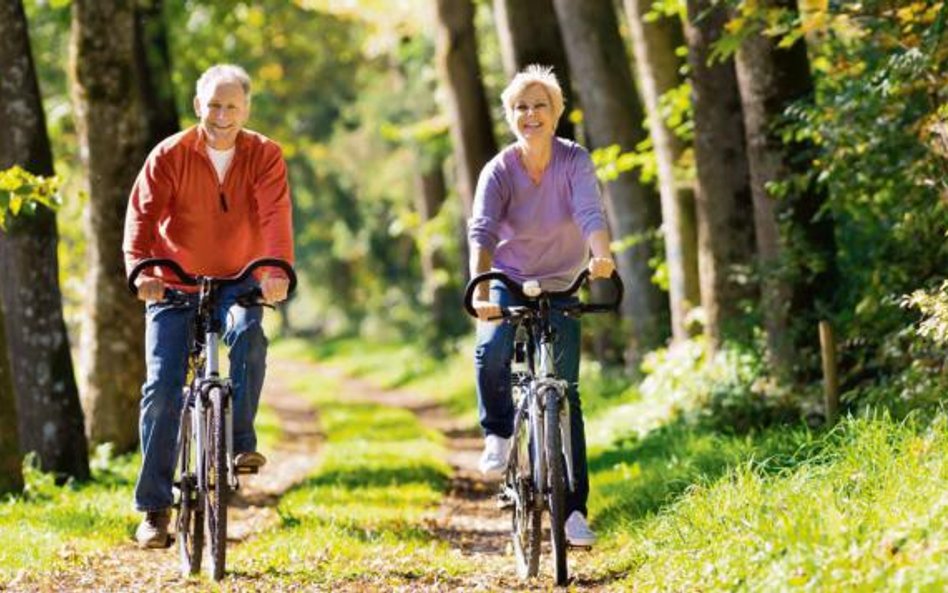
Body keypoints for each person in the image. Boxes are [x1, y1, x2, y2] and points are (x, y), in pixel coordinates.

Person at [123, 64, 293, 548]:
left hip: (239, 282)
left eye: (231, 106)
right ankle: (155, 509)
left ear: (246, 109)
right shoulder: (170, 154)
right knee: (162, 389)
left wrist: (276, 270)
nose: (222, 115)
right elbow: (142, 216)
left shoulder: (264, 155)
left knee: (250, 335)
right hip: (175, 285)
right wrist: (144, 271)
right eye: (214, 105)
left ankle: (240, 443)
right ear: (199, 105)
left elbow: (274, 213)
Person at [468, 65, 616, 548]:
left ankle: (573, 511)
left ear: (557, 113)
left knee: (566, 394)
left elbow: (590, 211)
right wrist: (483, 289)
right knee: (491, 349)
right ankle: (499, 433)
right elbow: (483, 231)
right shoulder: (500, 169)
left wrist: (601, 255)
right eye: (521, 107)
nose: (530, 114)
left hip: (561, 281)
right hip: (509, 280)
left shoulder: (574, 161)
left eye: (540, 105)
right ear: (510, 115)